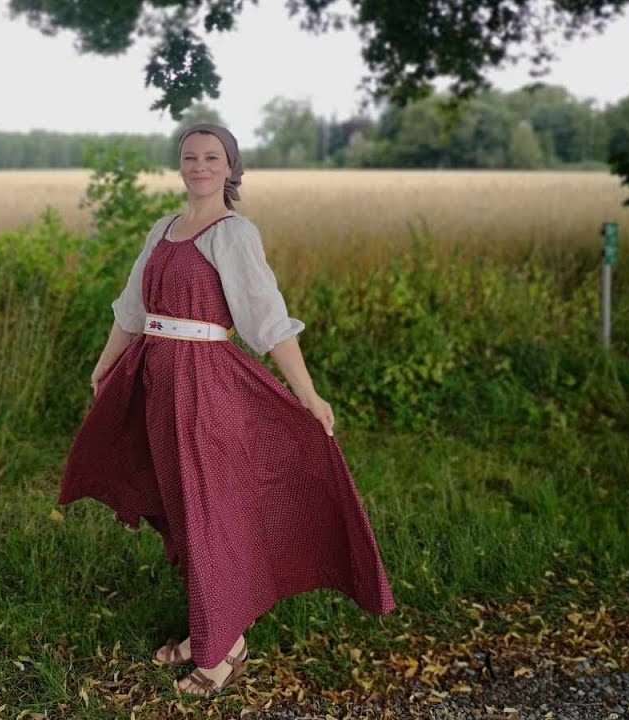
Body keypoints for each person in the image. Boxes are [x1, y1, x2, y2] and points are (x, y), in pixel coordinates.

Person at [58, 123, 396, 697]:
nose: (199, 166)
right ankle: (213, 631)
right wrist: (104, 364)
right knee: (180, 504)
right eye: (190, 156)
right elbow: (133, 308)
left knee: (208, 509)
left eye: (212, 157)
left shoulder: (234, 234)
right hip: (157, 379)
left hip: (206, 384)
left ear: (231, 167)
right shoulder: (162, 229)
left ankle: (219, 652)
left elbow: (268, 320)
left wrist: (308, 395)